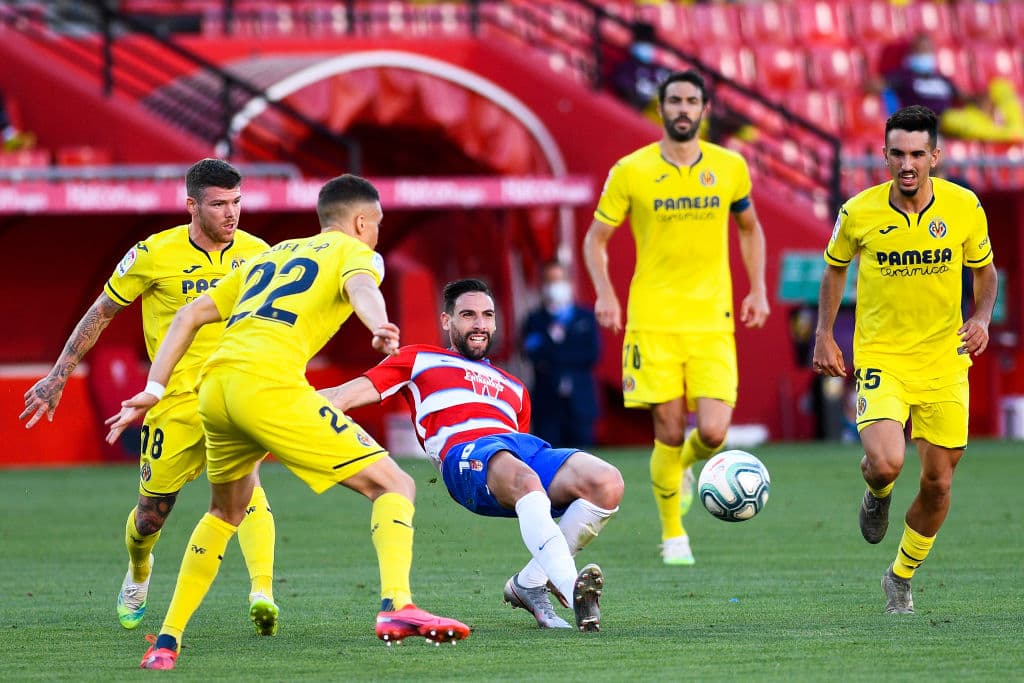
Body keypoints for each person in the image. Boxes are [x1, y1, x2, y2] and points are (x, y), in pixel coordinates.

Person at [105, 175, 469, 670]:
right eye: (377, 225)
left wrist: (153, 389)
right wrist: (378, 324)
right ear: (362, 222)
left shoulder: (269, 254)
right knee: (395, 484)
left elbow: (189, 315)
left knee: (224, 514)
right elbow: (362, 286)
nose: (377, 235)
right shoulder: (355, 251)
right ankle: (397, 606)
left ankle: (166, 643)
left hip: (214, 388)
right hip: (268, 386)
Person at [19, 158, 279, 634]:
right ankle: (139, 570)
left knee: (249, 488)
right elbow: (100, 313)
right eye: (219, 204)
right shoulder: (152, 254)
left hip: (233, 396)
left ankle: (262, 592)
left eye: (237, 202)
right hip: (172, 403)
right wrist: (58, 376)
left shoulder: (260, 253)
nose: (231, 213)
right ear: (191, 206)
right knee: (150, 517)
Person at [321, 278, 623, 632]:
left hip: (513, 450)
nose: (479, 324)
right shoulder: (418, 359)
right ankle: (574, 592)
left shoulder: (515, 388)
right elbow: (342, 395)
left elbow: (519, 449)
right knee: (524, 478)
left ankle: (531, 582)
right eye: (468, 315)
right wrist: (281, 406)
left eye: (487, 316)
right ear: (447, 321)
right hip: (464, 455)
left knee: (607, 482)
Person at [812, 105, 997, 615]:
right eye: (898, 153)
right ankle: (878, 491)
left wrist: (980, 318)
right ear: (885, 155)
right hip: (882, 357)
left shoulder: (964, 207)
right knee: (887, 460)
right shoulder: (858, 211)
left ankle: (899, 576)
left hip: (945, 359)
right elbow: (833, 271)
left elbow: (985, 273)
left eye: (918, 153)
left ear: (935, 155)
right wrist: (825, 334)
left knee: (939, 483)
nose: (908, 163)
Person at [583, 69, 769, 566]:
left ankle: (685, 468)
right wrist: (605, 293)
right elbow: (596, 239)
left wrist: (759, 289)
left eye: (692, 101)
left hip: (713, 319)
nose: (683, 109)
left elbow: (750, 230)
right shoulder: (631, 170)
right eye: (675, 101)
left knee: (712, 432)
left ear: (704, 109)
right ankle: (673, 536)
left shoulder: (730, 167)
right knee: (667, 430)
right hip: (653, 321)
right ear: (661, 109)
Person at [883, 34, 1024, 143]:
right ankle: (1009, 133)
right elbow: (880, 85)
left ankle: (1012, 129)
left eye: (927, 50)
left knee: (1000, 85)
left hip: (958, 117)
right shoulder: (904, 76)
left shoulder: (941, 78)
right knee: (951, 119)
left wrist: (985, 100)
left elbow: (964, 97)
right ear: (912, 53)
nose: (924, 54)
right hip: (935, 122)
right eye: (920, 50)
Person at [521, 260, 600, 447]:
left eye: (560, 280)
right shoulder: (535, 320)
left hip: (581, 402)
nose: (556, 286)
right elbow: (531, 354)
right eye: (550, 281)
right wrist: (566, 351)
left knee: (585, 459)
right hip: (547, 403)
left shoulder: (585, 317)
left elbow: (592, 354)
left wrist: (554, 354)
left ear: (569, 282)